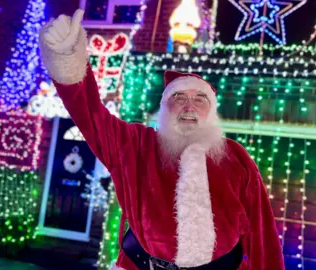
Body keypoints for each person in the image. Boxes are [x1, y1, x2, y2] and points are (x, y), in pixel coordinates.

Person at [39, 9, 285, 270]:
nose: (189, 107)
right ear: (165, 108)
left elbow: (262, 234)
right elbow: (90, 114)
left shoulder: (235, 156)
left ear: (211, 112)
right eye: (179, 98)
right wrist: (67, 59)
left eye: (199, 100)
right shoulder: (135, 145)